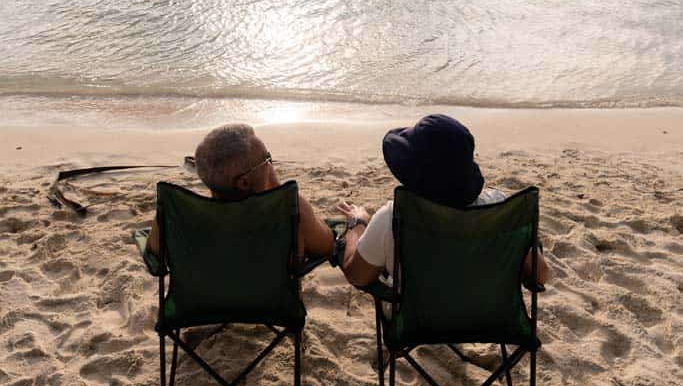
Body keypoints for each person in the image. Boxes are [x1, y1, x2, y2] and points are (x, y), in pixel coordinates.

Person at [338, 113, 548, 288]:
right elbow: (539, 277)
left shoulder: (393, 218)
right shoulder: (499, 210)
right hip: (488, 321)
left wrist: (358, 224)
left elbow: (357, 275)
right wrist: (529, 241)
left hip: (417, 324)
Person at [148, 123, 333, 259]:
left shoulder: (177, 216)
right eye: (266, 158)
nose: (270, 163)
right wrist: (279, 193)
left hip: (199, 311)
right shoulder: (292, 210)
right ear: (244, 182)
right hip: (272, 309)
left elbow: (154, 251)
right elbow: (327, 245)